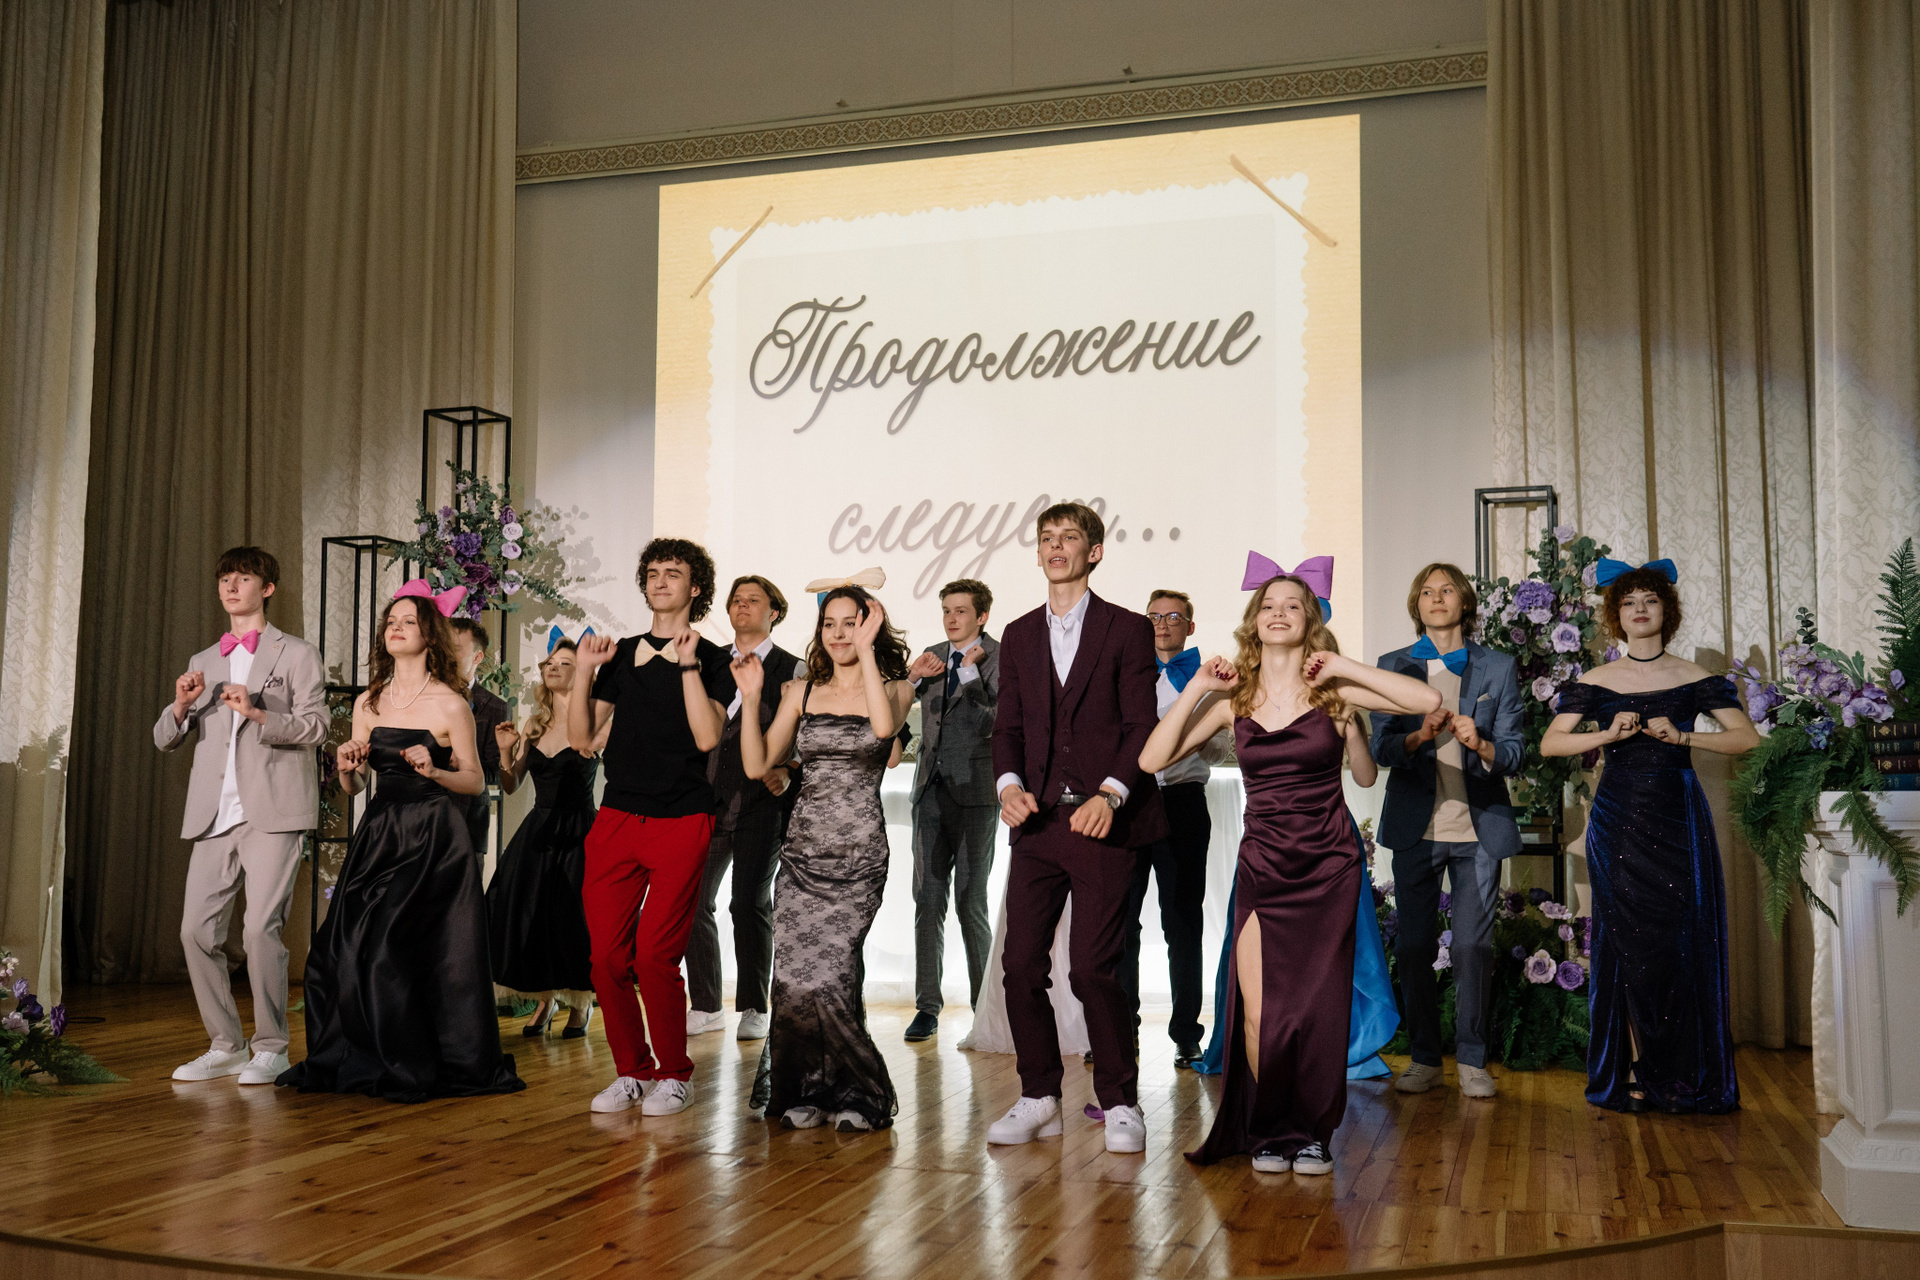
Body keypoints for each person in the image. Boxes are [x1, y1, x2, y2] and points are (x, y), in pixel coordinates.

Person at [1141, 565, 1440, 1176]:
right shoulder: (1233, 702)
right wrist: (1197, 685)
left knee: (1317, 1011)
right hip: (1263, 866)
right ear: (1255, 622)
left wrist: (1343, 667)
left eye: (1293, 605)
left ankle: (1310, 1134)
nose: (1278, 612)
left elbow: (1428, 701)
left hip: (1329, 866)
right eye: (1268, 604)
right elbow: (1152, 758)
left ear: (1310, 621)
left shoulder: (1334, 694)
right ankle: (1270, 1129)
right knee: (1259, 1010)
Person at [278, 582, 524, 1102]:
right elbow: (355, 786)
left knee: (391, 947)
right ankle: (361, 1053)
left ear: (429, 635)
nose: (396, 627)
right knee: (336, 949)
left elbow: (474, 781)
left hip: (434, 836)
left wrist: (434, 771)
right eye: (392, 621)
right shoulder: (369, 702)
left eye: (409, 621)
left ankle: (409, 1058)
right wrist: (346, 767)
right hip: (380, 831)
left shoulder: (451, 704)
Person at [1541, 559, 1756, 1114]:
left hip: (1678, 819)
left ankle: (1677, 1074)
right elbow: (1550, 744)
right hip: (1616, 823)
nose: (1640, 608)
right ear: (1616, 615)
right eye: (1629, 601)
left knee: (1678, 945)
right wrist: (1607, 734)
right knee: (1628, 943)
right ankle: (1637, 1067)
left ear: (1667, 611)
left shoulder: (1695, 677)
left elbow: (1747, 739)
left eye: (1650, 600)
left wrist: (1685, 739)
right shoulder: (1595, 682)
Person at [983, 502, 1165, 1157]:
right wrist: (1008, 787)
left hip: (1104, 822)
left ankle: (1119, 1101)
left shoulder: (1127, 628)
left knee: (1092, 969)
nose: (1056, 546)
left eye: (1069, 537)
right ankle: (1040, 1098)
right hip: (1038, 824)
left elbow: (1142, 725)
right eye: (1047, 538)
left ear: (1095, 552)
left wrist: (1112, 795)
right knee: (1019, 966)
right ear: (1038, 553)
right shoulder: (1018, 633)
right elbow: (1007, 728)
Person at [734, 580, 914, 1131]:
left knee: (832, 977)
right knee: (793, 982)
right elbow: (757, 765)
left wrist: (866, 652)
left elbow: (882, 730)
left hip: (858, 856)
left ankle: (861, 1093)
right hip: (802, 855)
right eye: (829, 624)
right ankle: (806, 1089)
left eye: (850, 624)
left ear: (870, 627)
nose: (838, 634)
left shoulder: (896, 688)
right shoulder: (800, 691)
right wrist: (750, 699)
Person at [569, 538, 734, 1116]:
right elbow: (581, 739)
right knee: (606, 961)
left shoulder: (714, 659)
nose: (661, 581)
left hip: (681, 819)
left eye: (674, 573)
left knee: (655, 957)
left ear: (695, 587)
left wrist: (686, 664)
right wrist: (585, 672)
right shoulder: (621, 654)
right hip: (617, 817)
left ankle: (673, 1074)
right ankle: (631, 1072)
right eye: (653, 573)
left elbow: (707, 736)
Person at [154, 546, 327, 1086]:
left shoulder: (297, 653)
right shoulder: (204, 659)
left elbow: (318, 726)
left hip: (273, 811)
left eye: (243, 578)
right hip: (214, 814)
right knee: (194, 932)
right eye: (225, 578)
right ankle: (226, 1044)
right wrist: (181, 705)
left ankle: (272, 1047)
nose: (231, 587)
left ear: (266, 589)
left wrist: (256, 712)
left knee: (259, 931)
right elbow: (165, 739)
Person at [1369, 563, 1525, 1100]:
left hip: (1479, 830)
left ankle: (1474, 1061)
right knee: (1413, 946)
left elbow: (1515, 751)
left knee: (1472, 948)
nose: (1437, 598)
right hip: (1416, 828)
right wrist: (1418, 737)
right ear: (1417, 604)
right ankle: (1425, 1059)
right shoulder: (1392, 666)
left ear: (1465, 602)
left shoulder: (1498, 666)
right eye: (1427, 592)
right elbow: (1381, 748)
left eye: (1447, 590)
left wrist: (1481, 743)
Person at [686, 575, 803, 1043]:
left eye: (754, 600)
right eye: (736, 600)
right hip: (708, 799)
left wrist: (790, 768)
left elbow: (809, 734)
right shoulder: (709, 662)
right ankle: (706, 1004)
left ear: (774, 612)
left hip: (762, 802)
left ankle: (755, 1005)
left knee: (748, 902)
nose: (742, 606)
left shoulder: (793, 668)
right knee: (693, 901)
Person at [487, 634, 606, 1039]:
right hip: (539, 831)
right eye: (549, 663)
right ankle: (545, 1000)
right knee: (533, 916)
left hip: (580, 831)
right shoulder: (533, 724)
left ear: (583, 673)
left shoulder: (597, 722)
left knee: (575, 918)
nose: (552, 667)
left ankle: (581, 1003)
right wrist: (506, 750)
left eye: (564, 663)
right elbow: (511, 785)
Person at [1120, 589, 1217, 1068]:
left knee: (1182, 922)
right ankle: (1122, 1029)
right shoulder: (1125, 674)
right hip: (1131, 803)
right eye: (1154, 616)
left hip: (1183, 802)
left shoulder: (1207, 680)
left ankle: (1186, 1034)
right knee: (1122, 921)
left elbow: (1218, 751)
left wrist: (1197, 721)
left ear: (1189, 627)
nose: (1161, 624)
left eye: (1173, 616)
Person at [903, 578, 1001, 1043]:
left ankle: (985, 1007)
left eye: (961, 611)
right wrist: (911, 678)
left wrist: (969, 674)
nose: (952, 618)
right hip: (929, 792)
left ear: (982, 616)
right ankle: (927, 1007)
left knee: (970, 901)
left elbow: (993, 724)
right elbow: (902, 714)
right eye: (946, 610)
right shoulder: (931, 655)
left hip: (977, 794)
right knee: (927, 901)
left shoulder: (999, 657)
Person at [449, 617, 509, 861]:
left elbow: (497, 772)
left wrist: (466, 764)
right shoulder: (424, 698)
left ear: (477, 657)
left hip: (467, 819)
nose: (447, 655)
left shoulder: (495, 707)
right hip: (421, 816)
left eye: (456, 649)